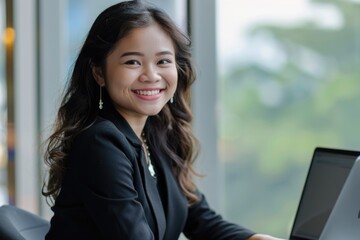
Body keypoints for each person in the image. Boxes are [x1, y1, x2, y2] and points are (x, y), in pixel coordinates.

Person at [42, 1, 284, 239]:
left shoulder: (157, 135)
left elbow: (201, 220)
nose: (151, 75)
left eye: (163, 61)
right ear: (99, 73)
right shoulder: (101, 142)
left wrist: (256, 238)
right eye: (132, 62)